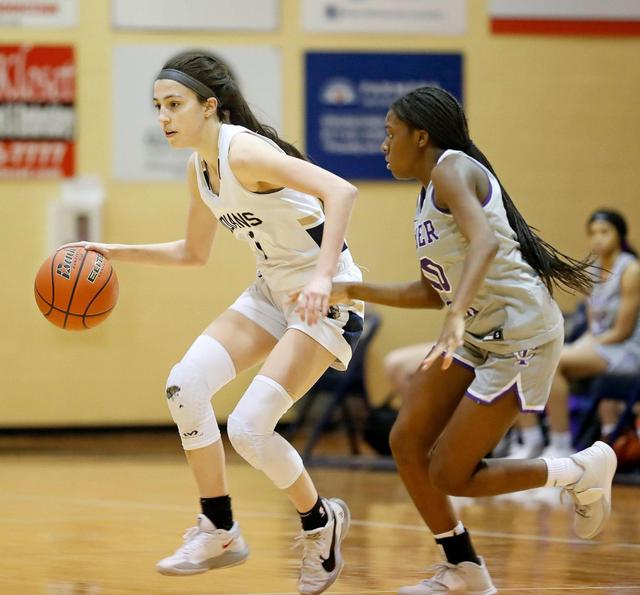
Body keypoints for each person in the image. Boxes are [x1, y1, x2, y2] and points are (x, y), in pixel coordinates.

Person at [66, 52, 364, 595]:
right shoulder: (199, 168)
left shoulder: (245, 150)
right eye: (158, 107)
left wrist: (322, 280)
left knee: (249, 429)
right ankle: (220, 529)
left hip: (326, 299)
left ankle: (322, 524)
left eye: (174, 104)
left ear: (210, 107)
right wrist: (111, 250)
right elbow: (191, 253)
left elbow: (341, 191)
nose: (164, 117)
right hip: (273, 292)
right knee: (185, 384)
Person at [324, 86, 618, 594]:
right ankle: (463, 568)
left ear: (422, 136)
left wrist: (457, 314)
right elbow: (432, 290)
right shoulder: (426, 193)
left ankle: (577, 470)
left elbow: (482, 242)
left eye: (390, 134)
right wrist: (351, 288)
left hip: (521, 335)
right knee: (406, 441)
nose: (383, 145)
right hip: (479, 332)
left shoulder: (451, 170)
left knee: (450, 474)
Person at [511, 210, 640, 459]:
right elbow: (594, 326)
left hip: (626, 349)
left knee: (553, 361)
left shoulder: (631, 269)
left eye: (605, 232)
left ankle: (561, 445)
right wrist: (581, 344)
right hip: (598, 344)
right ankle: (530, 439)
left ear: (620, 235)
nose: (598, 239)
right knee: (522, 359)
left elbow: (622, 331)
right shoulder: (593, 269)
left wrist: (579, 348)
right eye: (592, 233)